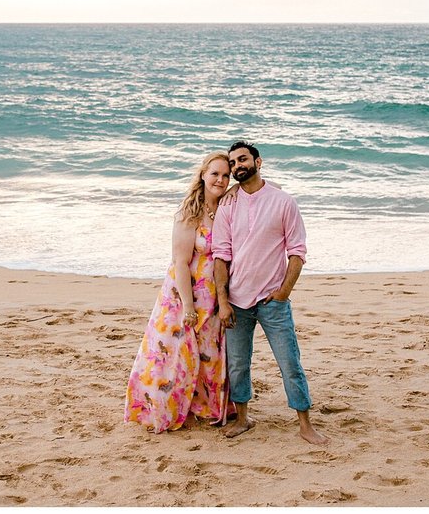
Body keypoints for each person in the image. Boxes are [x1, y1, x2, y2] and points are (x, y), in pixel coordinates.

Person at [212, 140, 328, 444]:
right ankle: (244, 419)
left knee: (289, 362)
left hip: (272, 301)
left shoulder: (283, 202)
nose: (237, 166)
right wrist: (223, 301)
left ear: (258, 162)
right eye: (233, 162)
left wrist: (283, 292)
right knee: (238, 365)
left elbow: (298, 252)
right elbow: (221, 256)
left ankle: (305, 424)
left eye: (242, 160)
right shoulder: (227, 205)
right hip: (237, 301)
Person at [124, 151, 232, 432]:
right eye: (215, 174)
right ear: (203, 175)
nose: (220, 180)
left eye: (225, 175)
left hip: (216, 295)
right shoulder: (189, 213)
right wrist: (188, 307)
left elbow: (271, 190)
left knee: (210, 352)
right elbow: (181, 263)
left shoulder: (228, 208)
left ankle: (206, 407)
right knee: (176, 353)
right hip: (185, 295)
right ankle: (165, 406)